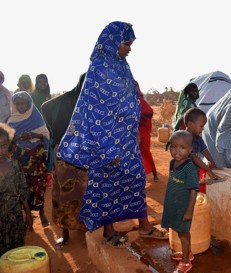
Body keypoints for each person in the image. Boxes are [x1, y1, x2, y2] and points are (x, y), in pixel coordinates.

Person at [56, 21, 168, 247]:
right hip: (105, 141)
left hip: (126, 139)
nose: (129, 48)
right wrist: (108, 147)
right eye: (126, 43)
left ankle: (144, 226)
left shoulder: (122, 65)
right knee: (106, 185)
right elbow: (93, 109)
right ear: (113, 42)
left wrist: (134, 129)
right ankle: (109, 231)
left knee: (136, 180)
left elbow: (129, 101)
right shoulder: (99, 68)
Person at [41, 73, 88, 247]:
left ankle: (83, 226)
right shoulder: (66, 100)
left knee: (84, 193)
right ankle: (65, 232)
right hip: (65, 154)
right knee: (64, 195)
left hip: (85, 153)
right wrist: (55, 131)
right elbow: (45, 107)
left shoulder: (92, 103)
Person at [7, 91, 50, 227]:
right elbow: (7, 143)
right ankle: (27, 214)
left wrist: (33, 134)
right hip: (20, 159)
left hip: (35, 157)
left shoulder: (37, 117)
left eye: (23, 103)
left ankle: (41, 212)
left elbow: (45, 136)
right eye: (18, 104)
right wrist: (18, 138)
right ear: (14, 105)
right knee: (22, 186)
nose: (21, 106)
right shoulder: (11, 121)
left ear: (29, 103)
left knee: (38, 185)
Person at [161, 130, 198, 273]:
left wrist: (189, 211)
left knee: (183, 232)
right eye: (173, 147)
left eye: (182, 148)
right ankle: (187, 253)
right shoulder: (172, 163)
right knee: (177, 229)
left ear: (190, 149)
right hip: (174, 204)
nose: (177, 151)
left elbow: (194, 190)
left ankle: (186, 262)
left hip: (184, 207)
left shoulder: (190, 168)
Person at [0, 123, 33, 256]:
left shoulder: (14, 166)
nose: (0, 150)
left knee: (15, 253)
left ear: (9, 144)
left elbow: (22, 191)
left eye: (3, 146)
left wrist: (28, 214)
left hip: (15, 219)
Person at [184, 108, 220, 192]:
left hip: (194, 170)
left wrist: (213, 163)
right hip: (184, 172)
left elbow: (205, 151)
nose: (203, 129)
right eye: (201, 126)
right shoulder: (185, 138)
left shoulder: (197, 138)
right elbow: (194, 157)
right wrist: (208, 169)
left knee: (194, 189)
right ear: (190, 124)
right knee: (187, 191)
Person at [137, 81, 158, 181]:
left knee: (144, 153)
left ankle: (152, 173)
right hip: (138, 132)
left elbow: (149, 112)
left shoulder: (139, 100)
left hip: (142, 132)